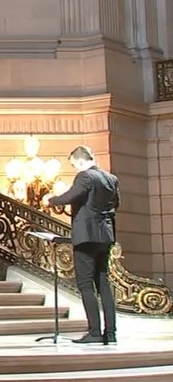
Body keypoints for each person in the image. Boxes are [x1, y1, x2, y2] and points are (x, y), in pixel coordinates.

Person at [44, 145, 119, 345]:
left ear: (79, 161)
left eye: (73, 165)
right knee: (103, 284)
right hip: (105, 236)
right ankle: (110, 333)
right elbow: (115, 205)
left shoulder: (85, 176)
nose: (75, 169)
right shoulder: (111, 179)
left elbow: (70, 196)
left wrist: (50, 200)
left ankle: (94, 332)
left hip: (86, 237)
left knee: (85, 284)